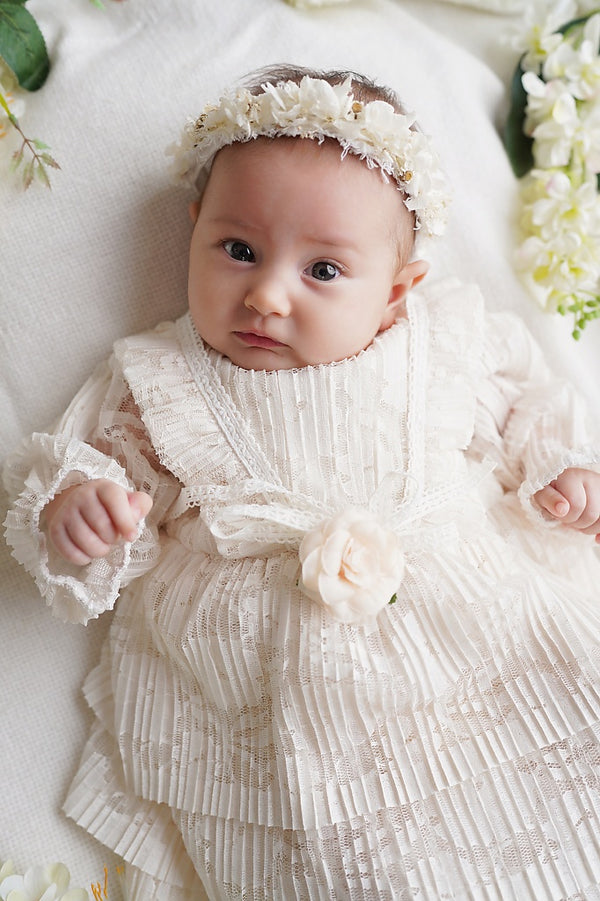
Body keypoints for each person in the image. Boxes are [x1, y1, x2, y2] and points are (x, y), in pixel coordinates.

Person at [4, 63, 600, 900]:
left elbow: (527, 404)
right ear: (194, 231)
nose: (267, 295)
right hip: (268, 698)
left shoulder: (442, 343)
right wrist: (80, 511)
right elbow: (101, 471)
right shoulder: (163, 380)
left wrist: (565, 469)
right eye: (238, 250)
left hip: (472, 637)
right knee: (328, 860)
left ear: (396, 292)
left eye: (323, 270)